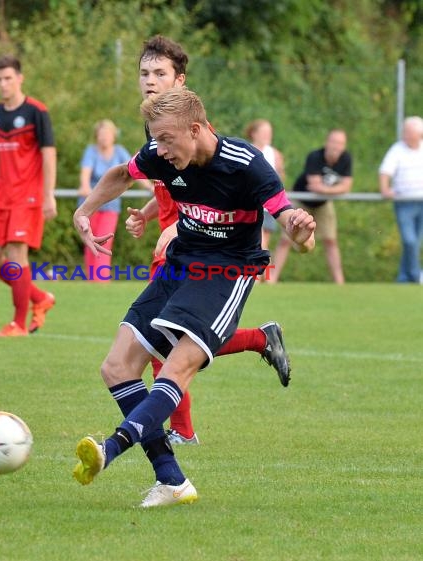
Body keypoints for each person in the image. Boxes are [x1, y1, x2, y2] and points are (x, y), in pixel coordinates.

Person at [72, 87, 316, 508]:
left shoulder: (248, 165)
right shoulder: (161, 153)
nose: (160, 150)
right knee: (116, 367)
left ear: (197, 129)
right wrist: (84, 210)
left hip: (227, 271)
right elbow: (120, 174)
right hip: (181, 262)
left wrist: (299, 232)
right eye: (155, 139)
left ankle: (111, 448)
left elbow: (290, 222)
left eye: (167, 139)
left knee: (177, 368)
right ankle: (171, 480)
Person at [125, 36, 291, 447]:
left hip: (194, 243)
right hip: (177, 235)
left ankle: (182, 431)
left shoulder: (192, 125)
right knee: (167, 340)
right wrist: (149, 215)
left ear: (179, 80)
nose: (149, 80)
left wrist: (175, 226)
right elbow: (165, 178)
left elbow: (214, 188)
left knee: (166, 342)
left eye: (159, 73)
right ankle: (258, 339)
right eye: (144, 73)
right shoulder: (155, 123)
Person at [0, 54, 57, 337]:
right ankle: (39, 297)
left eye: (8, 78)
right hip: (1, 196)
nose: (3, 84)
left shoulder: (37, 111)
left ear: (20, 78)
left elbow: (49, 155)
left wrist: (49, 195)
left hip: (28, 196)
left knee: (16, 255)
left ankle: (18, 324)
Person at [270, 129, 352, 284]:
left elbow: (347, 186)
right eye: (334, 142)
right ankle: (272, 278)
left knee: (331, 240)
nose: (336, 146)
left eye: (340, 143)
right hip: (302, 200)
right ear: (327, 142)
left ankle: (340, 281)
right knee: (286, 239)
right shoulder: (315, 157)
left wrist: (326, 190)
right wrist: (334, 189)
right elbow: (314, 185)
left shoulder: (346, 158)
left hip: (323, 203)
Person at [78, 119, 151, 281]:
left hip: (111, 205)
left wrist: (150, 188)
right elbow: (85, 173)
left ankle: (101, 278)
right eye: (101, 135)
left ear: (113, 136)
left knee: (104, 239)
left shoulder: (119, 152)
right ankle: (91, 279)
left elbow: (133, 170)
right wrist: (84, 186)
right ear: (96, 136)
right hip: (92, 204)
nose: (104, 138)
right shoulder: (92, 151)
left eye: (107, 134)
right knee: (89, 239)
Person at [379, 116, 423, 283]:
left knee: (415, 243)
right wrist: (385, 189)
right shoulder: (397, 149)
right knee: (409, 240)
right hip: (405, 203)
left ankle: (404, 278)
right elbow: (385, 171)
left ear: (419, 134)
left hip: (422, 202)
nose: (405, 135)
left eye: (409, 132)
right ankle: (416, 276)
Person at [244, 119, 286, 250]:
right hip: (250, 204)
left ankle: (264, 269)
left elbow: (280, 178)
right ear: (254, 133)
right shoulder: (246, 150)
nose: (267, 136)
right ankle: (263, 269)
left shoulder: (275, 154)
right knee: (257, 243)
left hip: (269, 205)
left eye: (269, 133)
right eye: (264, 132)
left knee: (263, 242)